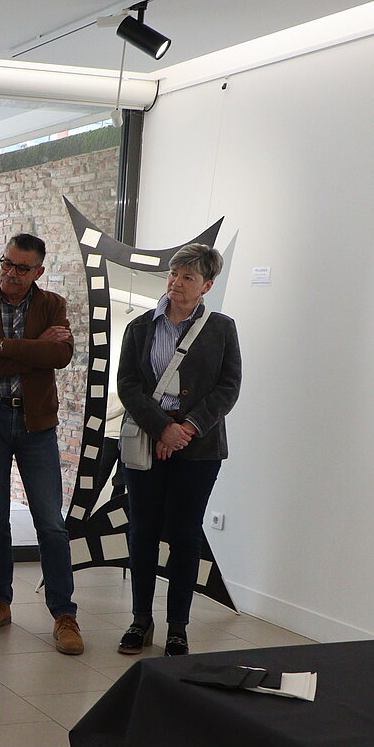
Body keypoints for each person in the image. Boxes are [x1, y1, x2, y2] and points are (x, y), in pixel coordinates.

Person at [0, 233, 83, 655]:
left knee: (51, 522)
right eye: (6, 263)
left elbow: (59, 358)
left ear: (38, 272)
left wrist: (4, 346)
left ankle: (64, 613)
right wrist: (35, 348)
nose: (10, 273)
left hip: (36, 424)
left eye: (21, 268)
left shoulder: (52, 306)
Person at [116, 243, 240, 656]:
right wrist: (162, 428)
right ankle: (140, 620)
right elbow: (129, 385)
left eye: (188, 277)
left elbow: (228, 388)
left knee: (186, 535)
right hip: (148, 442)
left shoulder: (222, 329)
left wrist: (185, 428)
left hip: (198, 448)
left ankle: (177, 627)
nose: (177, 283)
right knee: (143, 532)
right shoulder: (140, 328)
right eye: (173, 275)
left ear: (207, 285)